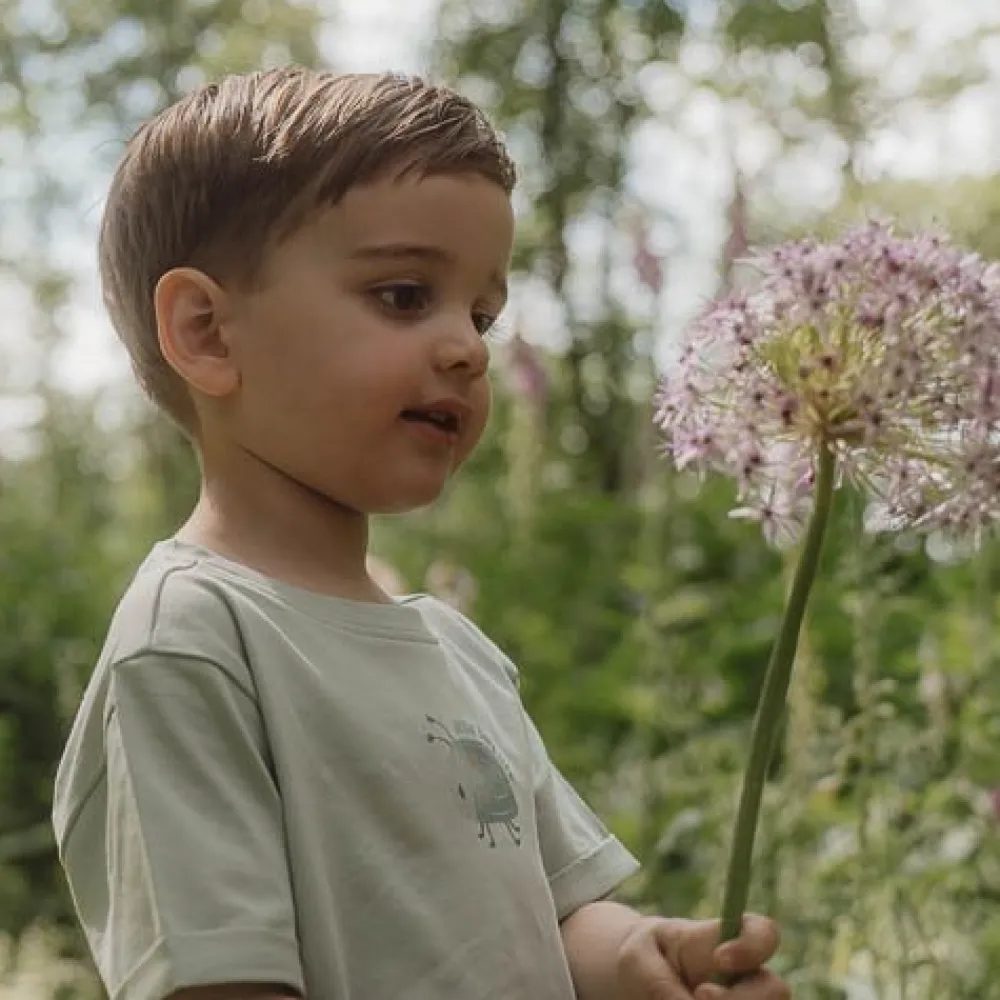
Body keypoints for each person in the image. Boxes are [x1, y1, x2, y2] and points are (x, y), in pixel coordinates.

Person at [51, 68, 790, 1000]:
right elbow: (217, 977)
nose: (470, 347)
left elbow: (555, 919)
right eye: (405, 295)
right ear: (206, 332)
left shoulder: (457, 649)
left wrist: (645, 958)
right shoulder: (191, 643)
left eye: (482, 314)